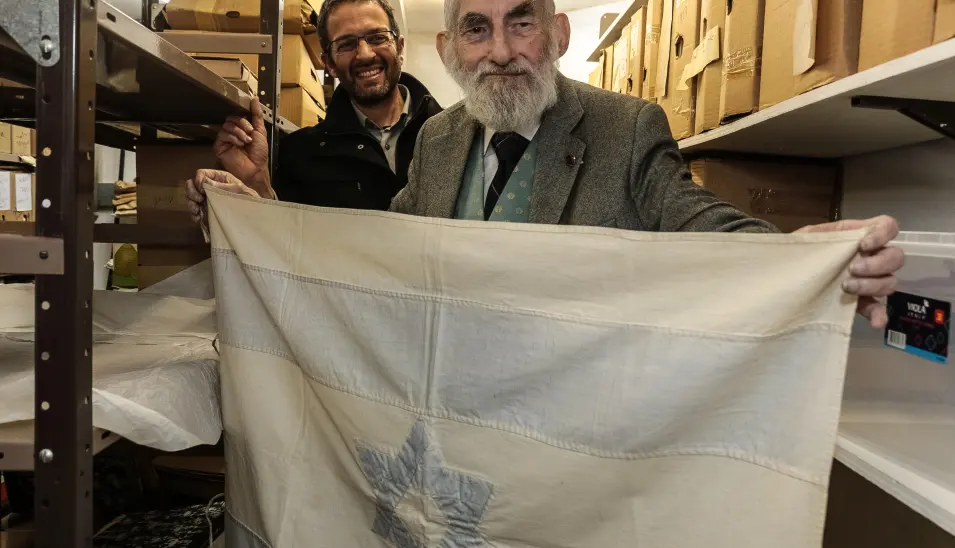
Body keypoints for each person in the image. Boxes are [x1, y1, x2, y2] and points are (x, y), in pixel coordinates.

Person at [187, 0, 904, 330]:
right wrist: (252, 210)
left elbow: (692, 218)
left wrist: (796, 259)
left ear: (556, 34)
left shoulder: (625, 129)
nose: (500, 50)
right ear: (449, 51)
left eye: (520, 20)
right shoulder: (438, 142)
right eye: (477, 28)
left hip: (572, 433)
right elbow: (379, 253)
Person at [188, 0, 442, 213]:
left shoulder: (454, 136)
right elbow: (288, 248)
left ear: (399, 47)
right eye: (346, 44)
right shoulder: (302, 153)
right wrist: (257, 183)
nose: (365, 54)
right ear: (329, 64)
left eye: (377, 38)